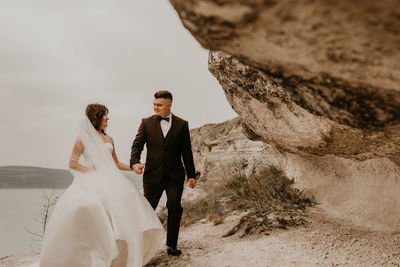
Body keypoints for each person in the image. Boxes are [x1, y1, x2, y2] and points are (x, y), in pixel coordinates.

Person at [32, 104, 165, 267]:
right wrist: (88, 169)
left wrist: (133, 167)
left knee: (124, 210)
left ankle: (119, 257)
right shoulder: (82, 138)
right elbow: (72, 163)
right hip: (92, 180)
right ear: (97, 117)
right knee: (93, 211)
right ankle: (96, 256)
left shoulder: (109, 139)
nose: (108, 118)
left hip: (113, 180)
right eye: (105, 115)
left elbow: (115, 162)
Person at [130, 90, 196, 256]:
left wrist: (192, 175)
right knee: (147, 210)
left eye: (159, 105)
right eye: (154, 104)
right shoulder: (146, 123)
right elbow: (137, 145)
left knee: (174, 207)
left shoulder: (182, 124)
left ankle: (171, 246)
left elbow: (186, 152)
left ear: (169, 105)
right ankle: (139, 246)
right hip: (152, 175)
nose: (155, 107)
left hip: (175, 176)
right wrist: (135, 162)